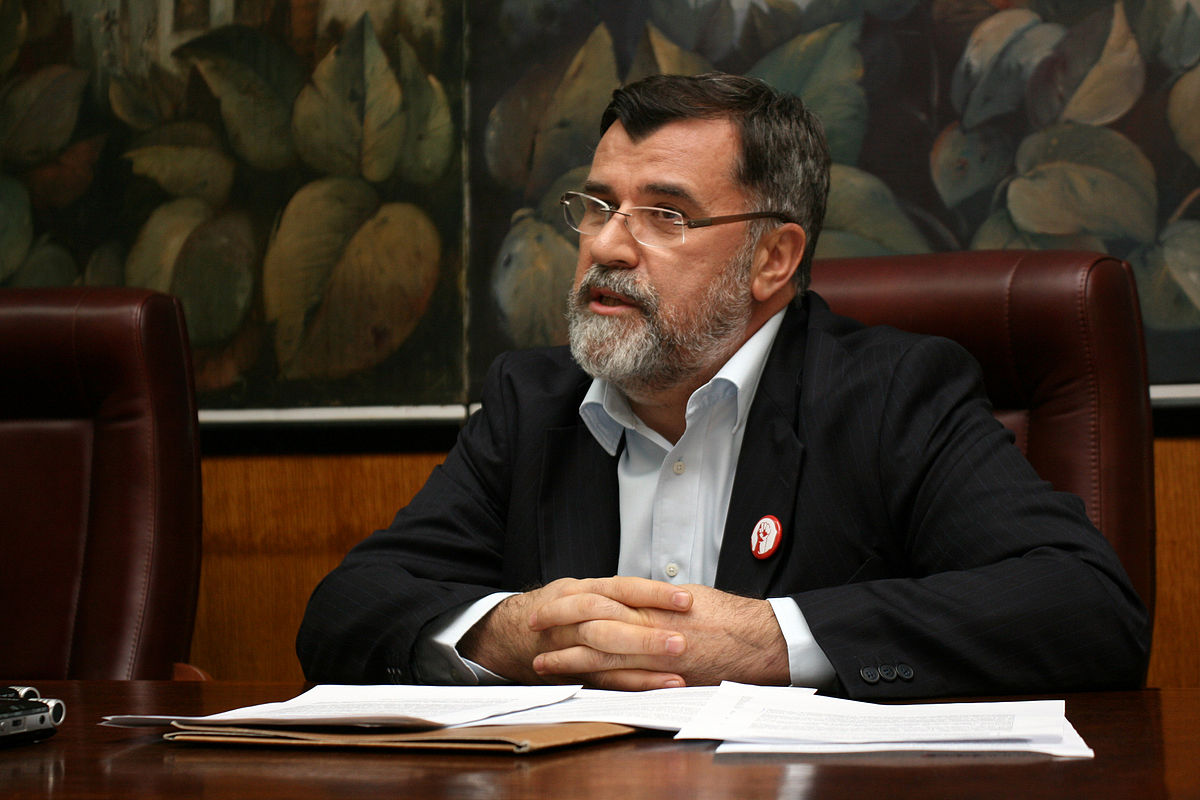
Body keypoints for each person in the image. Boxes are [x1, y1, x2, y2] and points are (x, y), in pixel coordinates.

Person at [296, 73, 1150, 698]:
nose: (607, 246)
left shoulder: (891, 394)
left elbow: (1086, 608)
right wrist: (508, 633)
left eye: (665, 215)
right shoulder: (533, 402)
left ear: (772, 258)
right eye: (598, 205)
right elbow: (347, 609)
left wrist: (769, 641)